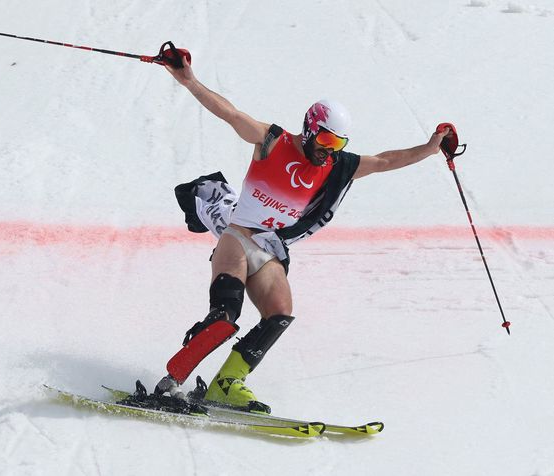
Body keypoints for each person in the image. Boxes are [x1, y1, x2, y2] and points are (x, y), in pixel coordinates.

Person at [155, 55, 450, 413]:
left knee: (280, 312)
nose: (330, 149)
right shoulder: (272, 142)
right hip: (238, 236)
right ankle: (170, 383)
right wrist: (189, 81)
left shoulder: (335, 166)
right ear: (310, 129)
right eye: (326, 138)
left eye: (338, 143)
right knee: (224, 317)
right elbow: (230, 114)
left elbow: (386, 161)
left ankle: (227, 384)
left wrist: (430, 148)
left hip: (270, 248)